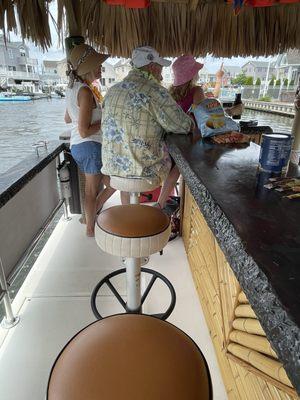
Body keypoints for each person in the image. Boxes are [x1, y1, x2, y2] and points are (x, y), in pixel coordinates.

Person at [101, 46, 194, 206]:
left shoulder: (112, 91)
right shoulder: (155, 91)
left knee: (127, 151)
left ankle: (128, 213)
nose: (161, 73)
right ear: (152, 67)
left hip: (113, 170)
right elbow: (183, 125)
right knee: (178, 160)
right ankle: (160, 205)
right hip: (145, 173)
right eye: (160, 68)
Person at [64, 44, 115, 237]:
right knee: (92, 191)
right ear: (86, 67)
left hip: (78, 147)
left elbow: (68, 119)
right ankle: (90, 229)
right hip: (90, 145)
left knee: (111, 185)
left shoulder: (72, 89)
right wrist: (105, 121)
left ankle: (90, 216)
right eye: (98, 64)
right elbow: (84, 131)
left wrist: (83, 115)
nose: (101, 67)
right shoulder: (85, 91)